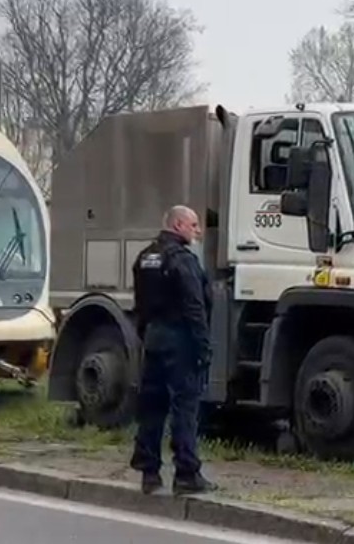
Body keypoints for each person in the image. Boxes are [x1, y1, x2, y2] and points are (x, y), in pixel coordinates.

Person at [129, 205, 214, 496]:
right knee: (184, 407)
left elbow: (139, 304)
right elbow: (195, 306)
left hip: (153, 338)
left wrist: (145, 335)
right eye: (193, 225)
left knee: (151, 408)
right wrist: (203, 346)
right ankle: (187, 473)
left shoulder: (145, 257)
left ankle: (149, 474)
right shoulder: (183, 260)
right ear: (178, 225)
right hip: (180, 340)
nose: (198, 231)